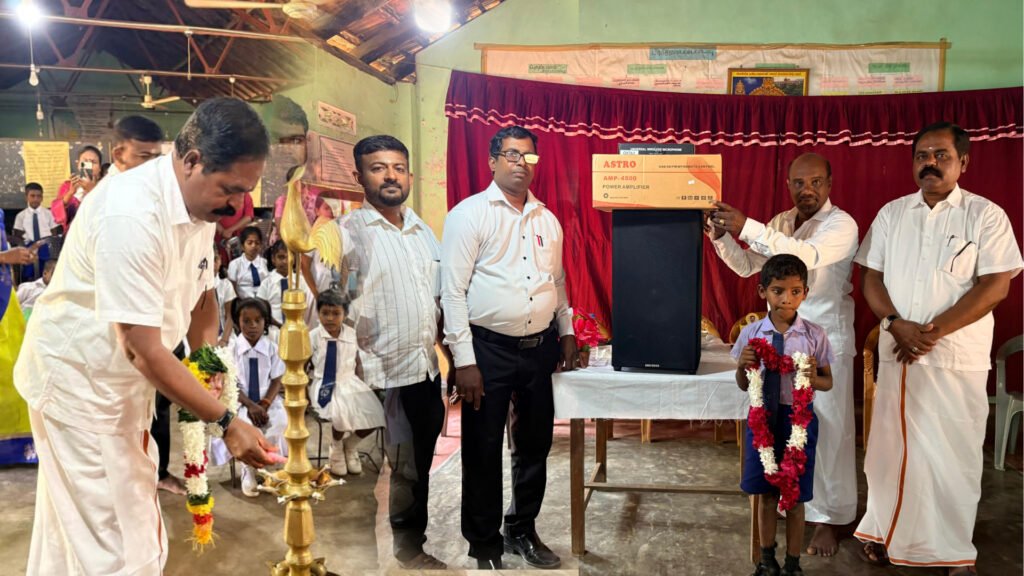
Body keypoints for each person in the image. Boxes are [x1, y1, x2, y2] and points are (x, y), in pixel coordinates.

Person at [13, 97, 281, 575]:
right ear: (192, 160)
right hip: (81, 389)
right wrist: (225, 421)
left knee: (72, 539)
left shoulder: (199, 207)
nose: (236, 206)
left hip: (117, 387)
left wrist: (207, 363)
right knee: (121, 546)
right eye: (230, 189)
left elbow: (202, 296)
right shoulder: (132, 211)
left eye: (244, 192)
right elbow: (139, 348)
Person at [853, 122, 1022, 574]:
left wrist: (930, 333)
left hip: (955, 359)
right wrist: (895, 325)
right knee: (889, 451)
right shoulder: (893, 214)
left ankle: (953, 550)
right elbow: (871, 276)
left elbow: (996, 285)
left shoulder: (986, 215)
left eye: (941, 155)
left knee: (953, 455)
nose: (930, 163)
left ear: (963, 162)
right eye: (922, 155)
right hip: (899, 354)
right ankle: (882, 531)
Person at [707, 152, 858, 556]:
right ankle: (789, 502)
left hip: (823, 340)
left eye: (815, 182)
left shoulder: (841, 224)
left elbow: (804, 257)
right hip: (780, 339)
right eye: (799, 182)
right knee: (783, 425)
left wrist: (746, 226)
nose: (807, 190)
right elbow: (747, 266)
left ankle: (830, 519)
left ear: (829, 184)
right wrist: (722, 236)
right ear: (788, 184)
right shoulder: (780, 222)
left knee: (828, 429)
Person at [441, 125, 577, 570]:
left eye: (529, 156)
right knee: (482, 449)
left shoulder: (547, 220)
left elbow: (557, 281)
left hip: (539, 350)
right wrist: (464, 361)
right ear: (493, 161)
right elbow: (452, 292)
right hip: (487, 351)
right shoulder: (469, 214)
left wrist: (567, 331)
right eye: (512, 155)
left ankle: (521, 529)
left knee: (534, 446)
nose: (522, 163)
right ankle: (484, 544)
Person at [341, 134, 448, 570]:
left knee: (416, 467)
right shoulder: (348, 236)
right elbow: (335, 308)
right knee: (374, 474)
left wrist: (453, 357)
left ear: (409, 176)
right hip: (378, 379)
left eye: (398, 168)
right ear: (359, 176)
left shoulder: (423, 232)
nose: (390, 176)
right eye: (378, 168)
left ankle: (409, 548)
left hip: (424, 372)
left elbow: (436, 301)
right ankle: (358, 560)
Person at [733, 254, 834, 576]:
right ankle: (767, 560)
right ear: (763, 291)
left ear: (805, 293)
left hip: (798, 423)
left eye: (794, 291)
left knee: (795, 496)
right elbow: (742, 384)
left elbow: (828, 382)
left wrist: (811, 375)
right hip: (762, 421)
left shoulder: (814, 335)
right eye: (778, 291)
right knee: (764, 493)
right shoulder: (752, 334)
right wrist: (742, 365)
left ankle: (793, 564)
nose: (786, 299)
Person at [210, 297, 288, 497]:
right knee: (244, 425)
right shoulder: (231, 350)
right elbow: (230, 384)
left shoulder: (272, 348)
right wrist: (251, 406)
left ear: (265, 322)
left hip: (266, 401)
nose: (252, 325)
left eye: (257, 320)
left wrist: (265, 404)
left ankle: (270, 466)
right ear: (237, 323)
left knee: (281, 422)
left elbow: (276, 380)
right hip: (241, 400)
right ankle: (248, 469)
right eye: (246, 321)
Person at [307, 288, 384, 476]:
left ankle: (349, 445)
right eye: (325, 313)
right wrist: (303, 394)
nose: (330, 318)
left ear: (345, 314)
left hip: (349, 381)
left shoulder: (351, 334)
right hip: (324, 384)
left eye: (336, 313)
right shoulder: (313, 336)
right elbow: (303, 365)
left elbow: (357, 361)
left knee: (375, 415)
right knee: (340, 412)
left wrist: (362, 383)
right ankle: (336, 447)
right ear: (318, 313)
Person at [257, 239, 316, 341]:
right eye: (281, 257)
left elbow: (309, 308)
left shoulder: (301, 282)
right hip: (273, 331)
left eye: (289, 257)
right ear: (273, 259)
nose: (285, 261)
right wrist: (280, 326)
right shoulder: (266, 283)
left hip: (298, 329)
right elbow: (262, 310)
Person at [12, 182, 57, 281]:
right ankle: (30, 282)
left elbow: (54, 232)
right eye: (32, 196)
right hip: (29, 246)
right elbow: (17, 234)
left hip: (45, 245)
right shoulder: (21, 216)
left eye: (38, 196)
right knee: (29, 269)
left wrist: (45, 243)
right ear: (26, 197)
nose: (36, 199)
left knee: (47, 268)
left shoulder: (49, 214)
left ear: (42, 198)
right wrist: (27, 245)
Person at [51, 144, 102, 231]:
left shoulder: (105, 186)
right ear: (78, 164)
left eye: (93, 162)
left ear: (100, 167)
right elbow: (57, 217)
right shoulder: (67, 186)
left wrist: (91, 190)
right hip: (73, 235)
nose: (89, 165)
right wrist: (70, 193)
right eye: (85, 161)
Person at [227, 226, 268, 298]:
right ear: (242, 246)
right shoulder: (235, 264)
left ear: (261, 245)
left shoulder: (265, 262)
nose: (253, 246)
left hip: (264, 300)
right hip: (243, 301)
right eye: (249, 243)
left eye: (257, 243)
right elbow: (232, 287)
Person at [214, 250, 237, 347]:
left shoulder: (226, 285)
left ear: (219, 260)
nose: (212, 264)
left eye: (215, 259)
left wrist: (224, 340)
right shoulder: (194, 287)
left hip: (224, 334)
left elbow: (230, 316)